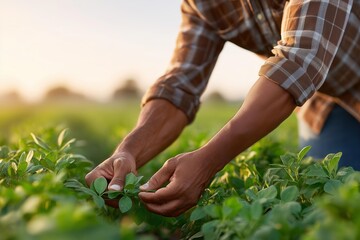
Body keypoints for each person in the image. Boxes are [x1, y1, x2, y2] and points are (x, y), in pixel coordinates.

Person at [85, 0, 360, 217]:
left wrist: (208, 161)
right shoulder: (201, 5)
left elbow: (299, 61)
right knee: (336, 207)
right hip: (327, 99)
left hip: (325, 74)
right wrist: (128, 151)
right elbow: (180, 86)